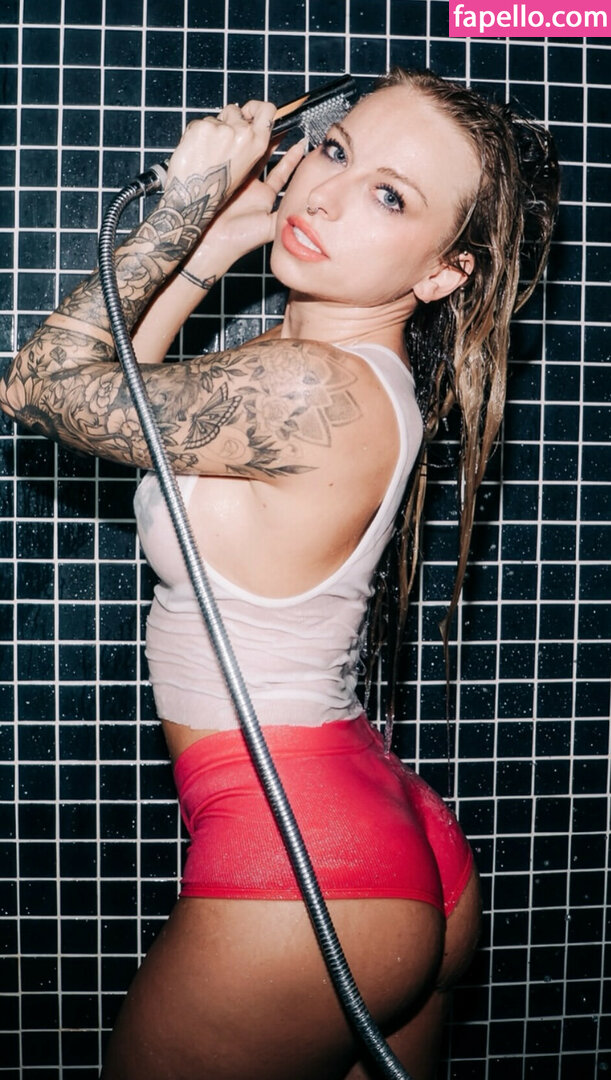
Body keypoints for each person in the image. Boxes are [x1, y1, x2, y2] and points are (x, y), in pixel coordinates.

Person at [0, 68, 559, 1080]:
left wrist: (181, 204)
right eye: (335, 151)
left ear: (444, 274)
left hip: (303, 864)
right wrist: (216, 242)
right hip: (381, 839)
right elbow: (116, 394)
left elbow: (41, 387)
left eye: (389, 197)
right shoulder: (326, 371)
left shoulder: (306, 387)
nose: (326, 195)